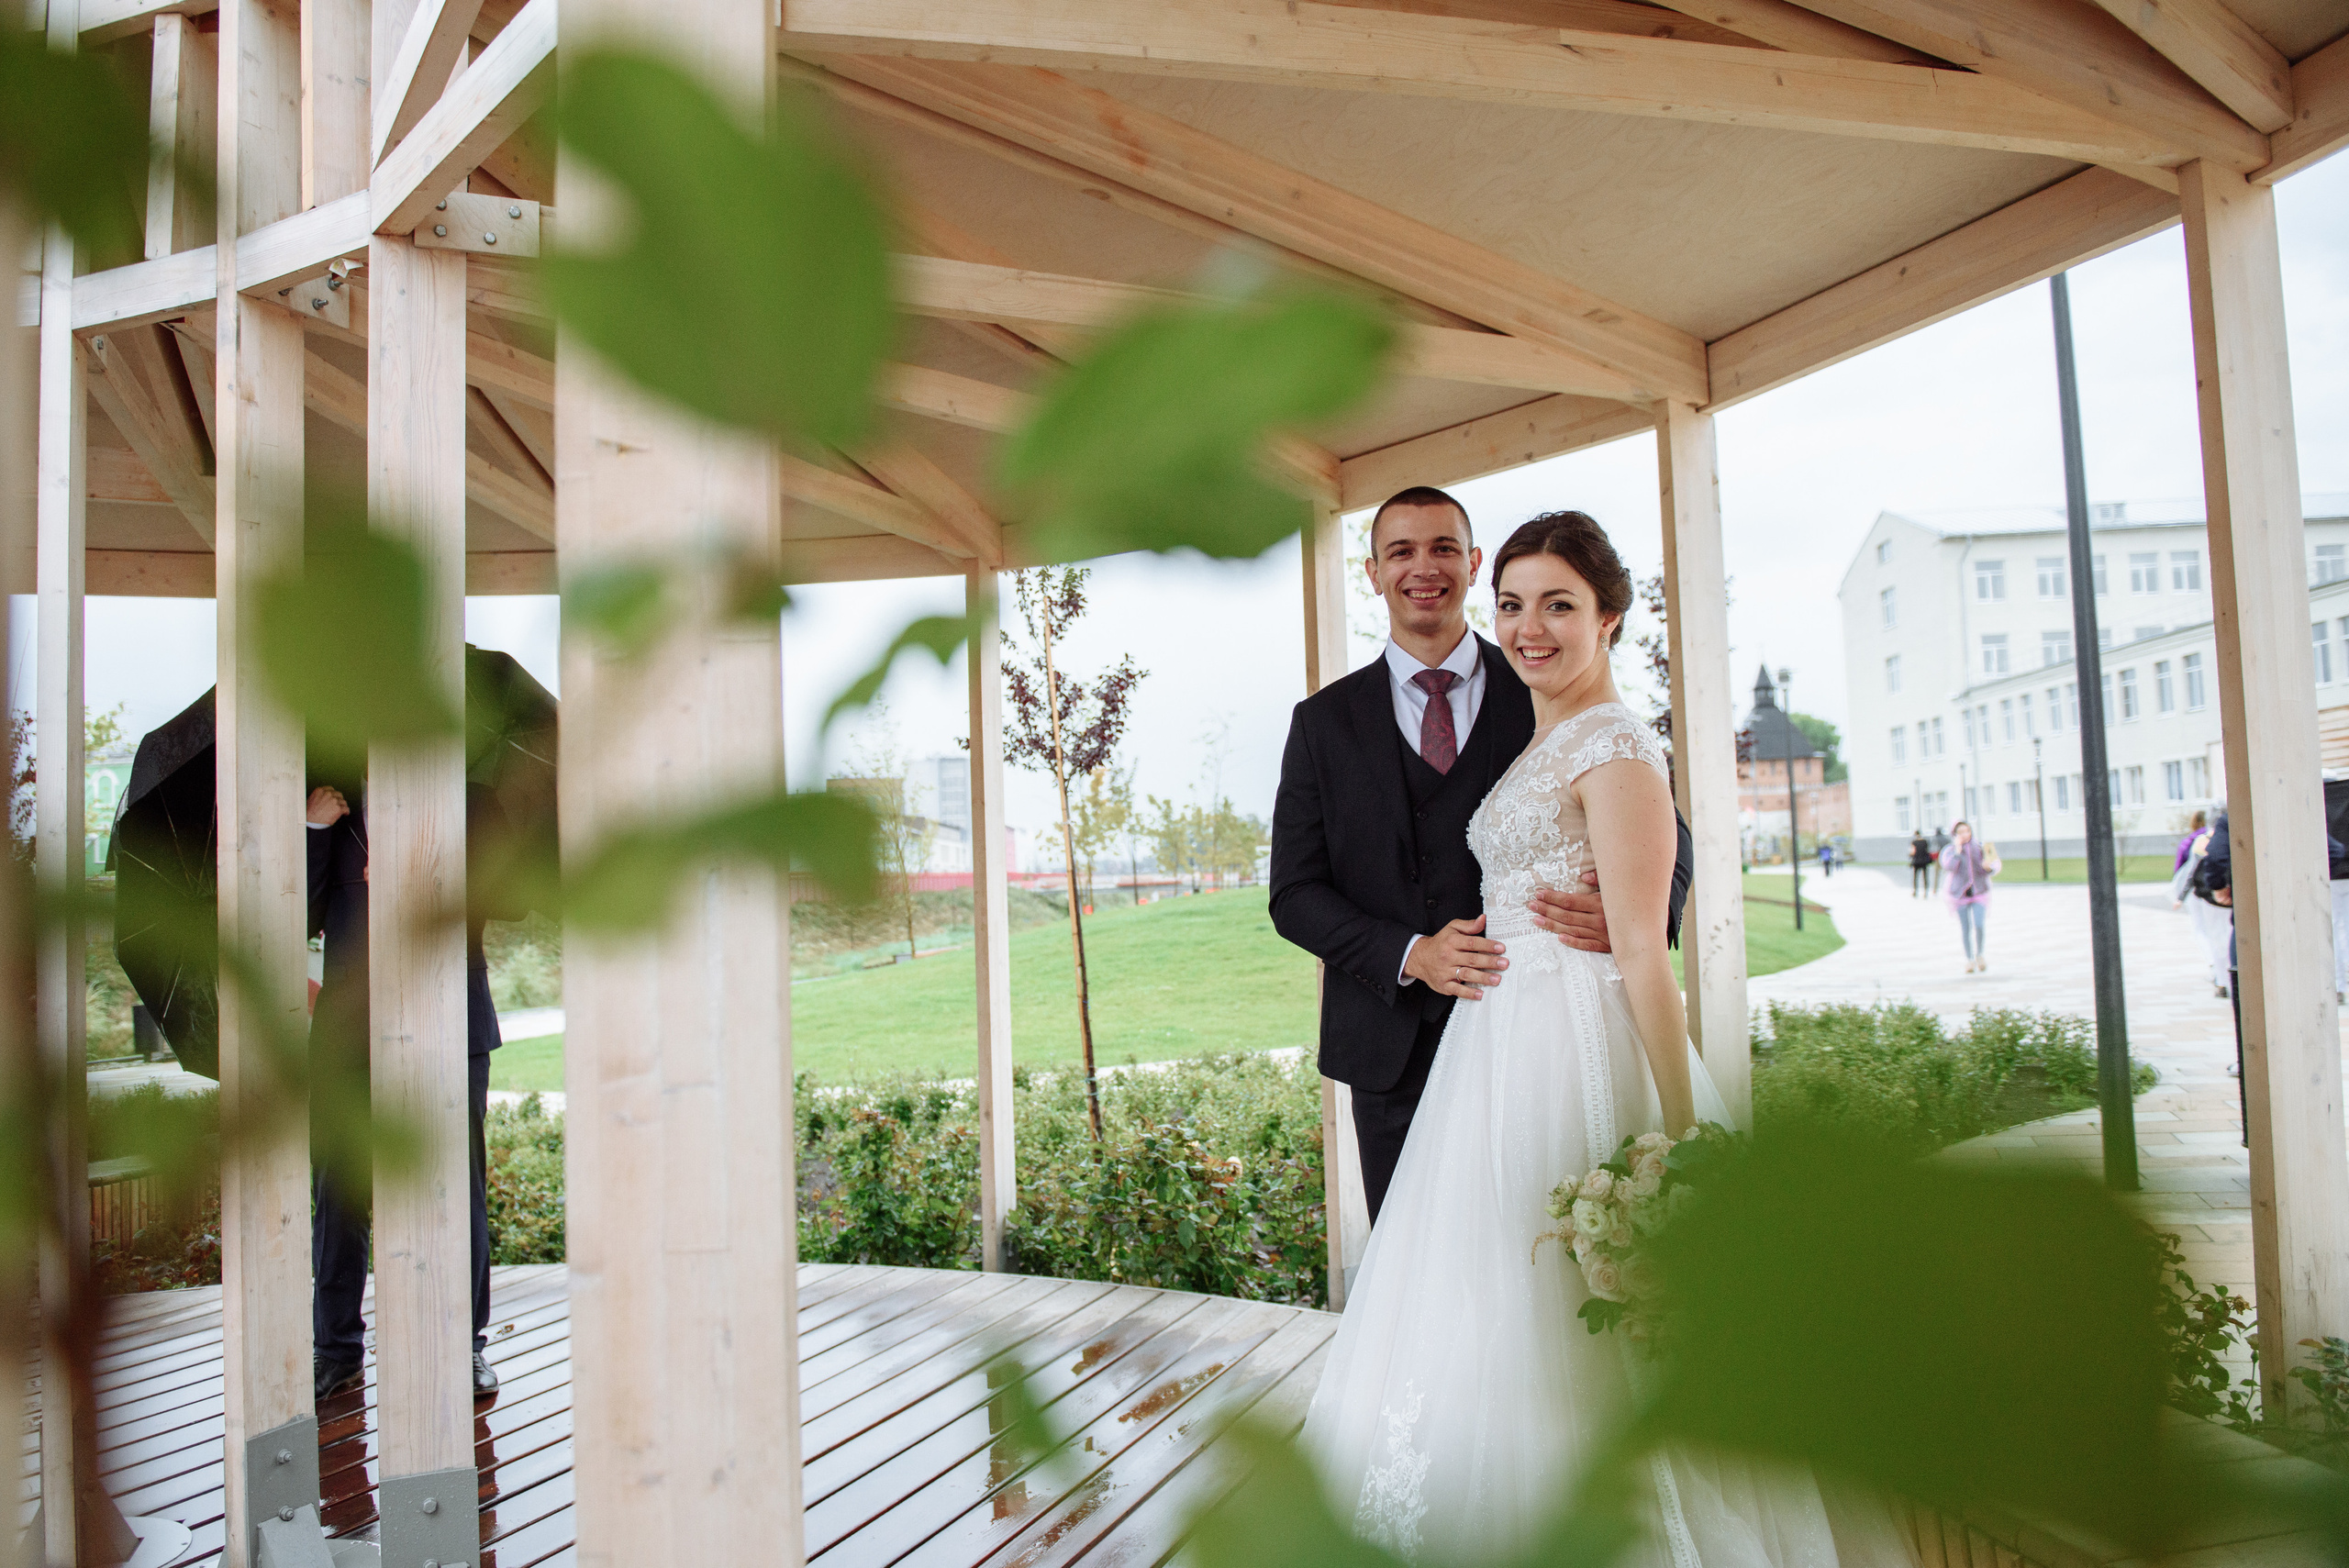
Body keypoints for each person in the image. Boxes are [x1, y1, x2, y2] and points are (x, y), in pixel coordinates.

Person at [1297, 512, 1916, 1567]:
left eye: (1558, 604)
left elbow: (1643, 934)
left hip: (1572, 1043)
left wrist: (1684, 1132)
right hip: (1481, 1052)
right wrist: (1419, 948)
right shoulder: (1490, 724)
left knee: (1583, 1292)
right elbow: (1297, 885)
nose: (1527, 627)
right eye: (1515, 605)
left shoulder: (1610, 735)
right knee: (1487, 1299)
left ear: (1610, 616)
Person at [1269, 487, 1692, 1223]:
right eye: (1400, 550)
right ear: (1372, 571)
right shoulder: (1321, 723)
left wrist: (1639, 920)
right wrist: (1411, 953)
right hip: (1387, 1048)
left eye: (1441, 549)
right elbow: (1293, 891)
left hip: (1544, 1044)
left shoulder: (1541, 676)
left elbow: (1665, 832)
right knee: (1424, 1276)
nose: (1421, 567)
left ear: (1472, 564)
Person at [307, 781, 506, 1404]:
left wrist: (423, 872)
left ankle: (464, 1345)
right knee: (338, 1193)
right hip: (350, 1032)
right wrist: (313, 832)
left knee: (459, 1187)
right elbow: (295, 915)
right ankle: (335, 1350)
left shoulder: (469, 796)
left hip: (452, 1019)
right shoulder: (327, 806)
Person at [2171, 810, 2229, 997]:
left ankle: (2223, 981)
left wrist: (2181, 895)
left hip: (2212, 897)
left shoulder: (2202, 841)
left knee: (2216, 938)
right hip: (2226, 895)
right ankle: (2227, 979)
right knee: (2228, 937)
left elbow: (2191, 870)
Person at [1941, 821, 1998, 973]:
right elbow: (1948, 866)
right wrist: (1958, 852)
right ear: (1955, 835)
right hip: (1959, 895)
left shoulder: (1979, 848)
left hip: (1979, 892)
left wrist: (1989, 868)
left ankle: (1980, 955)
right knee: (1965, 928)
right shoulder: (1950, 851)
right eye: (1960, 832)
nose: (1964, 835)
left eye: (1967, 831)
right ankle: (1969, 959)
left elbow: (1992, 866)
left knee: (1979, 924)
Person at [1908, 830, 1932, 897]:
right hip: (1924, 861)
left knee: (1915, 877)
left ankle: (1915, 891)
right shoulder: (1925, 842)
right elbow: (1927, 850)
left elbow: (1913, 852)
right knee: (1925, 877)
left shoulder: (1914, 842)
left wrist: (1910, 855)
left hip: (1916, 861)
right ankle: (1925, 892)